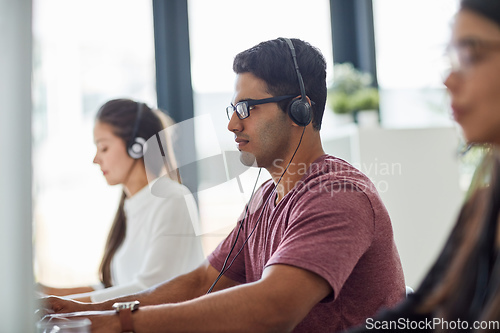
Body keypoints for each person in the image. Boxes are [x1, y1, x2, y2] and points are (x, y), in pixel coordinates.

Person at [40, 39, 404, 332]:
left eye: (246, 109)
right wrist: (92, 310)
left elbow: (273, 309)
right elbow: (202, 281)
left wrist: (120, 323)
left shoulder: (337, 196)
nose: (232, 125)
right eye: (232, 110)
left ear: (300, 111)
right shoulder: (266, 196)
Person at [342, 1, 500, 332]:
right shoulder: (482, 205)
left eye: (470, 56)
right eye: (450, 60)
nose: (449, 81)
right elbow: (422, 312)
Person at [38, 98, 205, 303]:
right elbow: (117, 288)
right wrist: (48, 292)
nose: (95, 159)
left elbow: (151, 289)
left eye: (104, 148)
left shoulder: (172, 199)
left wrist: (67, 305)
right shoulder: (133, 206)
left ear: (136, 146)